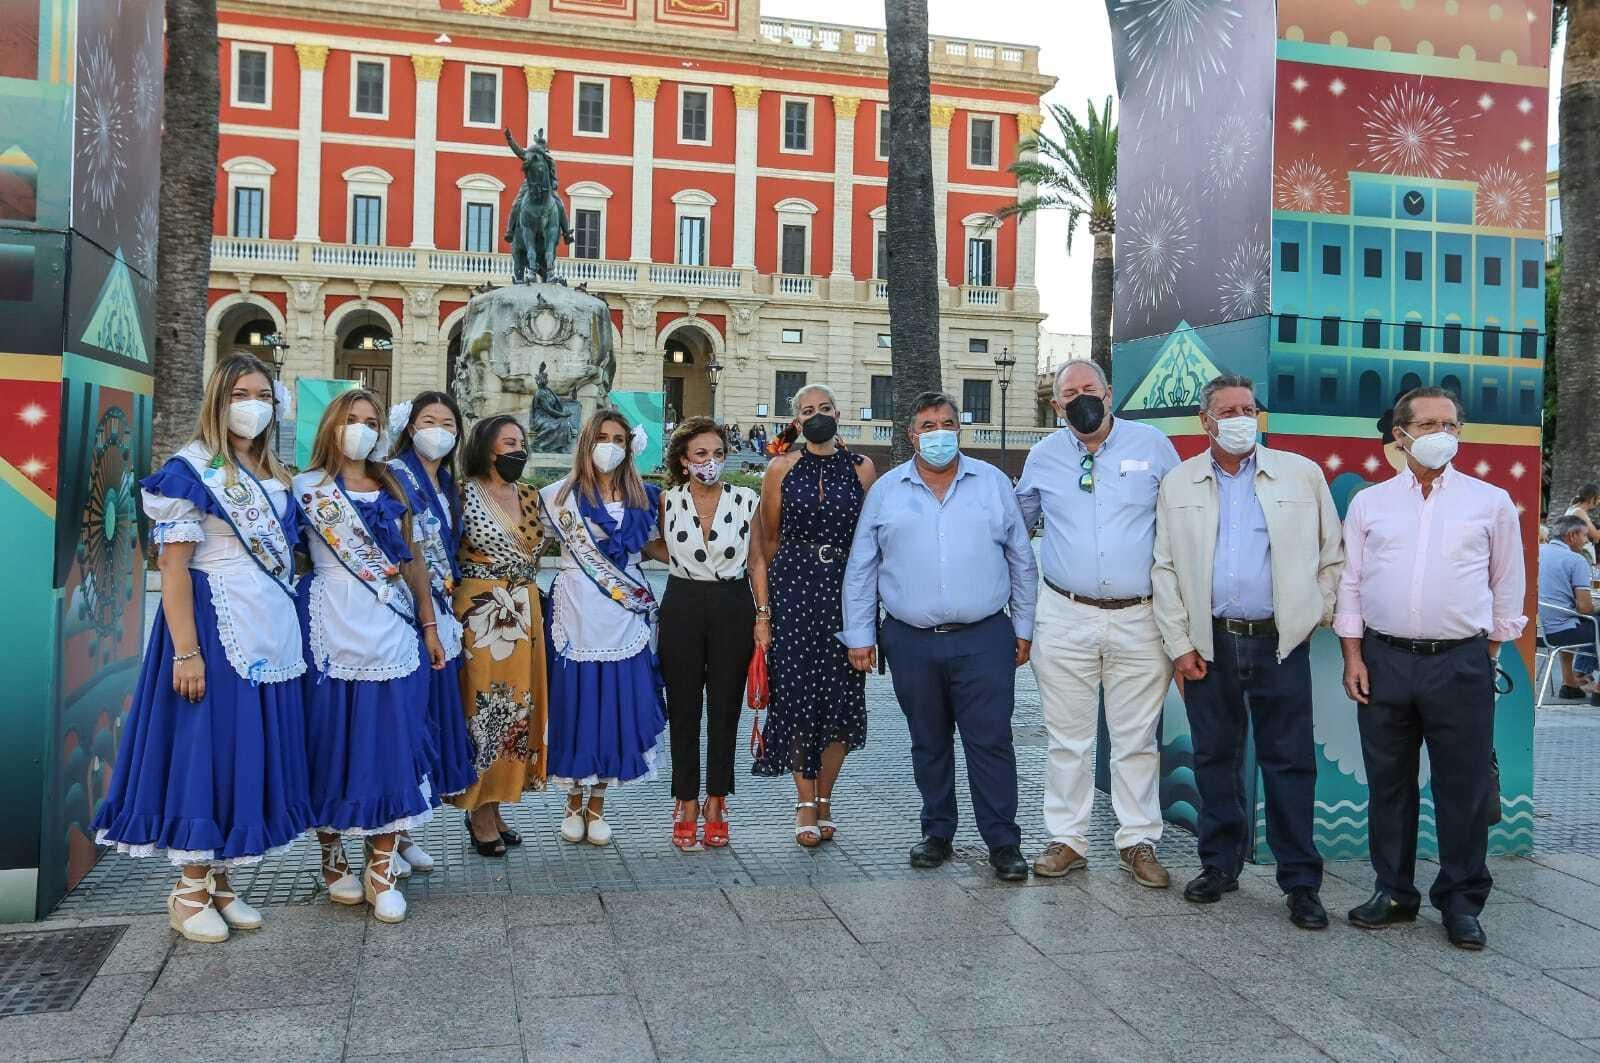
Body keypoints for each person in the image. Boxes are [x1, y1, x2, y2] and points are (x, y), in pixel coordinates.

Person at [91, 354, 312, 943]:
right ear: (218, 398)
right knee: (207, 748)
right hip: (214, 625)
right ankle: (188, 889)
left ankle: (221, 881)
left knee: (244, 749)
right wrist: (186, 652)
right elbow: (173, 567)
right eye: (241, 394)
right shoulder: (189, 470)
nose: (253, 405)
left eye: (263, 395)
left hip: (268, 625)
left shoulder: (273, 472)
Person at [1150, 374, 1344, 928]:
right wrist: (1180, 645)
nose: (1241, 419)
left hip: (1280, 644)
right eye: (1229, 411)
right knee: (1215, 758)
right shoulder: (1179, 482)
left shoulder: (1300, 474)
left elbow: (1332, 555)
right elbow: (1164, 568)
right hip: (1210, 643)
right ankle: (1219, 864)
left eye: (1248, 409)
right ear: (1205, 421)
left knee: (1290, 763)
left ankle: (1301, 882)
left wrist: (1312, 611)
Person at [1336, 386, 1525, 951]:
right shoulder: (1370, 504)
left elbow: (1506, 584)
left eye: (1451, 425)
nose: (1442, 434)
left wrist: (1487, 656)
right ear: (1401, 435)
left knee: (1462, 787)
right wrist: (1353, 655)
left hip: (1462, 662)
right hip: (1384, 660)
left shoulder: (1490, 502)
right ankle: (1393, 891)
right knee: (1388, 783)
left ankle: (1462, 902)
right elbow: (1351, 582)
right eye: (1429, 425)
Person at [841, 392, 1036, 880]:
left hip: (984, 638)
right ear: (912, 435)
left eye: (947, 423)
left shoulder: (992, 483)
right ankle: (937, 831)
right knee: (928, 741)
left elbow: (1021, 559)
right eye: (928, 426)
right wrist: (860, 634)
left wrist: (1024, 626)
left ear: (959, 429)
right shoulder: (886, 492)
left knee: (991, 741)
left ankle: (1003, 841)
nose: (939, 433)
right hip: (911, 640)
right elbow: (862, 566)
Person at [1016, 360, 1180, 886]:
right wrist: (1017, 614)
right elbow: (1017, 532)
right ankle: (1067, 839)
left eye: (1090, 389)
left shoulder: (1153, 446)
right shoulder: (1042, 456)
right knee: (1068, 738)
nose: (1081, 398)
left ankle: (1138, 841)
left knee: (1137, 739)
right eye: (1070, 393)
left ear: (1109, 394)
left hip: (1140, 617)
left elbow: (1182, 525)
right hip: (1064, 614)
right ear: (1056, 404)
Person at [295, 389, 446, 924]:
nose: (360, 429)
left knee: (392, 744)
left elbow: (415, 560)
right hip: (328, 626)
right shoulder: (305, 489)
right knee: (330, 743)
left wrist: (429, 625)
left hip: (392, 629)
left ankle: (381, 868)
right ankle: (332, 854)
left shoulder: (394, 485)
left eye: (371, 421)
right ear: (331, 426)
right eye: (351, 419)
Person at [753, 384, 877, 845]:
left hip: (845, 593)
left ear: (838, 413)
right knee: (796, 696)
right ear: (797, 421)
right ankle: (805, 803)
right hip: (793, 591)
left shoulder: (862, 468)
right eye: (808, 410)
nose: (818, 415)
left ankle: (826, 797)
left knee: (841, 697)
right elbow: (767, 543)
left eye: (825, 407)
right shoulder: (780, 468)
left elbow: (872, 539)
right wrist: (764, 612)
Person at [540, 410, 667, 845]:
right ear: (586, 442)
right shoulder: (556, 497)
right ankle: (572, 798)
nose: (609, 446)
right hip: (576, 609)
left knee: (615, 703)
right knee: (576, 702)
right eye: (602, 437)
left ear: (629, 447)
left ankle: (597, 803)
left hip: (623, 613)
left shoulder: (645, 497)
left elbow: (657, 547)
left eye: (618, 438)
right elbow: (528, 547)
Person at [648, 418, 766, 848]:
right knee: (682, 708)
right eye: (701, 454)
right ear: (684, 460)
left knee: (724, 708)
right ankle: (685, 801)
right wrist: (684, 561)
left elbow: (756, 560)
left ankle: (717, 801)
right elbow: (650, 543)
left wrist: (763, 616)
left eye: (717, 453)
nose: (710, 462)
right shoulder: (667, 500)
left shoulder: (746, 499)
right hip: (682, 603)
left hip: (733, 605)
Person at [447, 415, 549, 855]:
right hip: (482, 612)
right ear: (487, 447)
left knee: (517, 708)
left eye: (521, 442)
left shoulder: (530, 495)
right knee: (484, 707)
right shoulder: (461, 494)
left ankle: (497, 801)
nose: (518, 449)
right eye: (509, 442)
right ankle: (478, 808)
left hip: (524, 610)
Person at [385, 392, 477, 873]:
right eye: (428, 421)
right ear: (409, 427)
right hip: (403, 609)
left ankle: (402, 832)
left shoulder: (446, 484)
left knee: (425, 723)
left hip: (440, 611)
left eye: (447, 424)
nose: (438, 431)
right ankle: (384, 838)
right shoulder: (393, 475)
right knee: (405, 722)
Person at [1539, 514, 1599, 699]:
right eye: (1584, 535)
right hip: (1564, 631)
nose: (1587, 541)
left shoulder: (1538, 552)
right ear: (1572, 536)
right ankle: (1597, 688)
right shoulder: (1576, 560)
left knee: (1573, 619)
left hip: (1539, 630)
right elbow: (1585, 608)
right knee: (1591, 621)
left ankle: (1570, 684)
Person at [1563, 484, 1600, 566]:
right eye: (1598, 498)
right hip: (1579, 553)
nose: (1598, 502)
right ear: (1592, 498)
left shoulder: (1572, 508)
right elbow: (1596, 536)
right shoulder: (1579, 512)